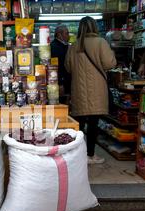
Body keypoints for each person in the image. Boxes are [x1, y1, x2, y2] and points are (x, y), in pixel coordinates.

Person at [65, 16, 117, 164]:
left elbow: (68, 67)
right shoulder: (101, 42)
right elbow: (110, 63)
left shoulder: (73, 46)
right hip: (97, 90)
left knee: (80, 124)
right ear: (94, 27)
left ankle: (77, 155)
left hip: (78, 90)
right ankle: (90, 155)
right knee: (93, 124)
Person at [51, 25, 71, 105]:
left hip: (64, 82)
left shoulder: (63, 45)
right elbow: (56, 67)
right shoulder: (55, 47)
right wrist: (60, 83)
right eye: (66, 33)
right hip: (61, 83)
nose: (68, 36)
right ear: (59, 35)